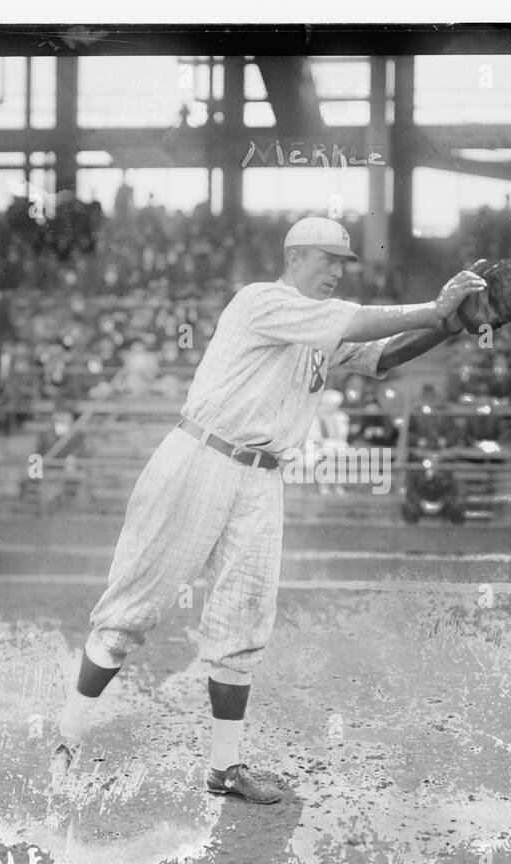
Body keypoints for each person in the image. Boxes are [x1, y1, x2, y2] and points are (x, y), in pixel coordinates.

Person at [49, 217, 487, 803]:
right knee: (130, 612)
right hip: (199, 457)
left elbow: (380, 356)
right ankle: (68, 737)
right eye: (327, 259)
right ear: (294, 256)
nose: (336, 271)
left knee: (242, 625)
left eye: (344, 263)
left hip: (262, 478)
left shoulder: (322, 329)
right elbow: (360, 320)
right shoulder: (262, 302)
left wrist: (452, 325)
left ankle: (224, 768)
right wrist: (437, 307)